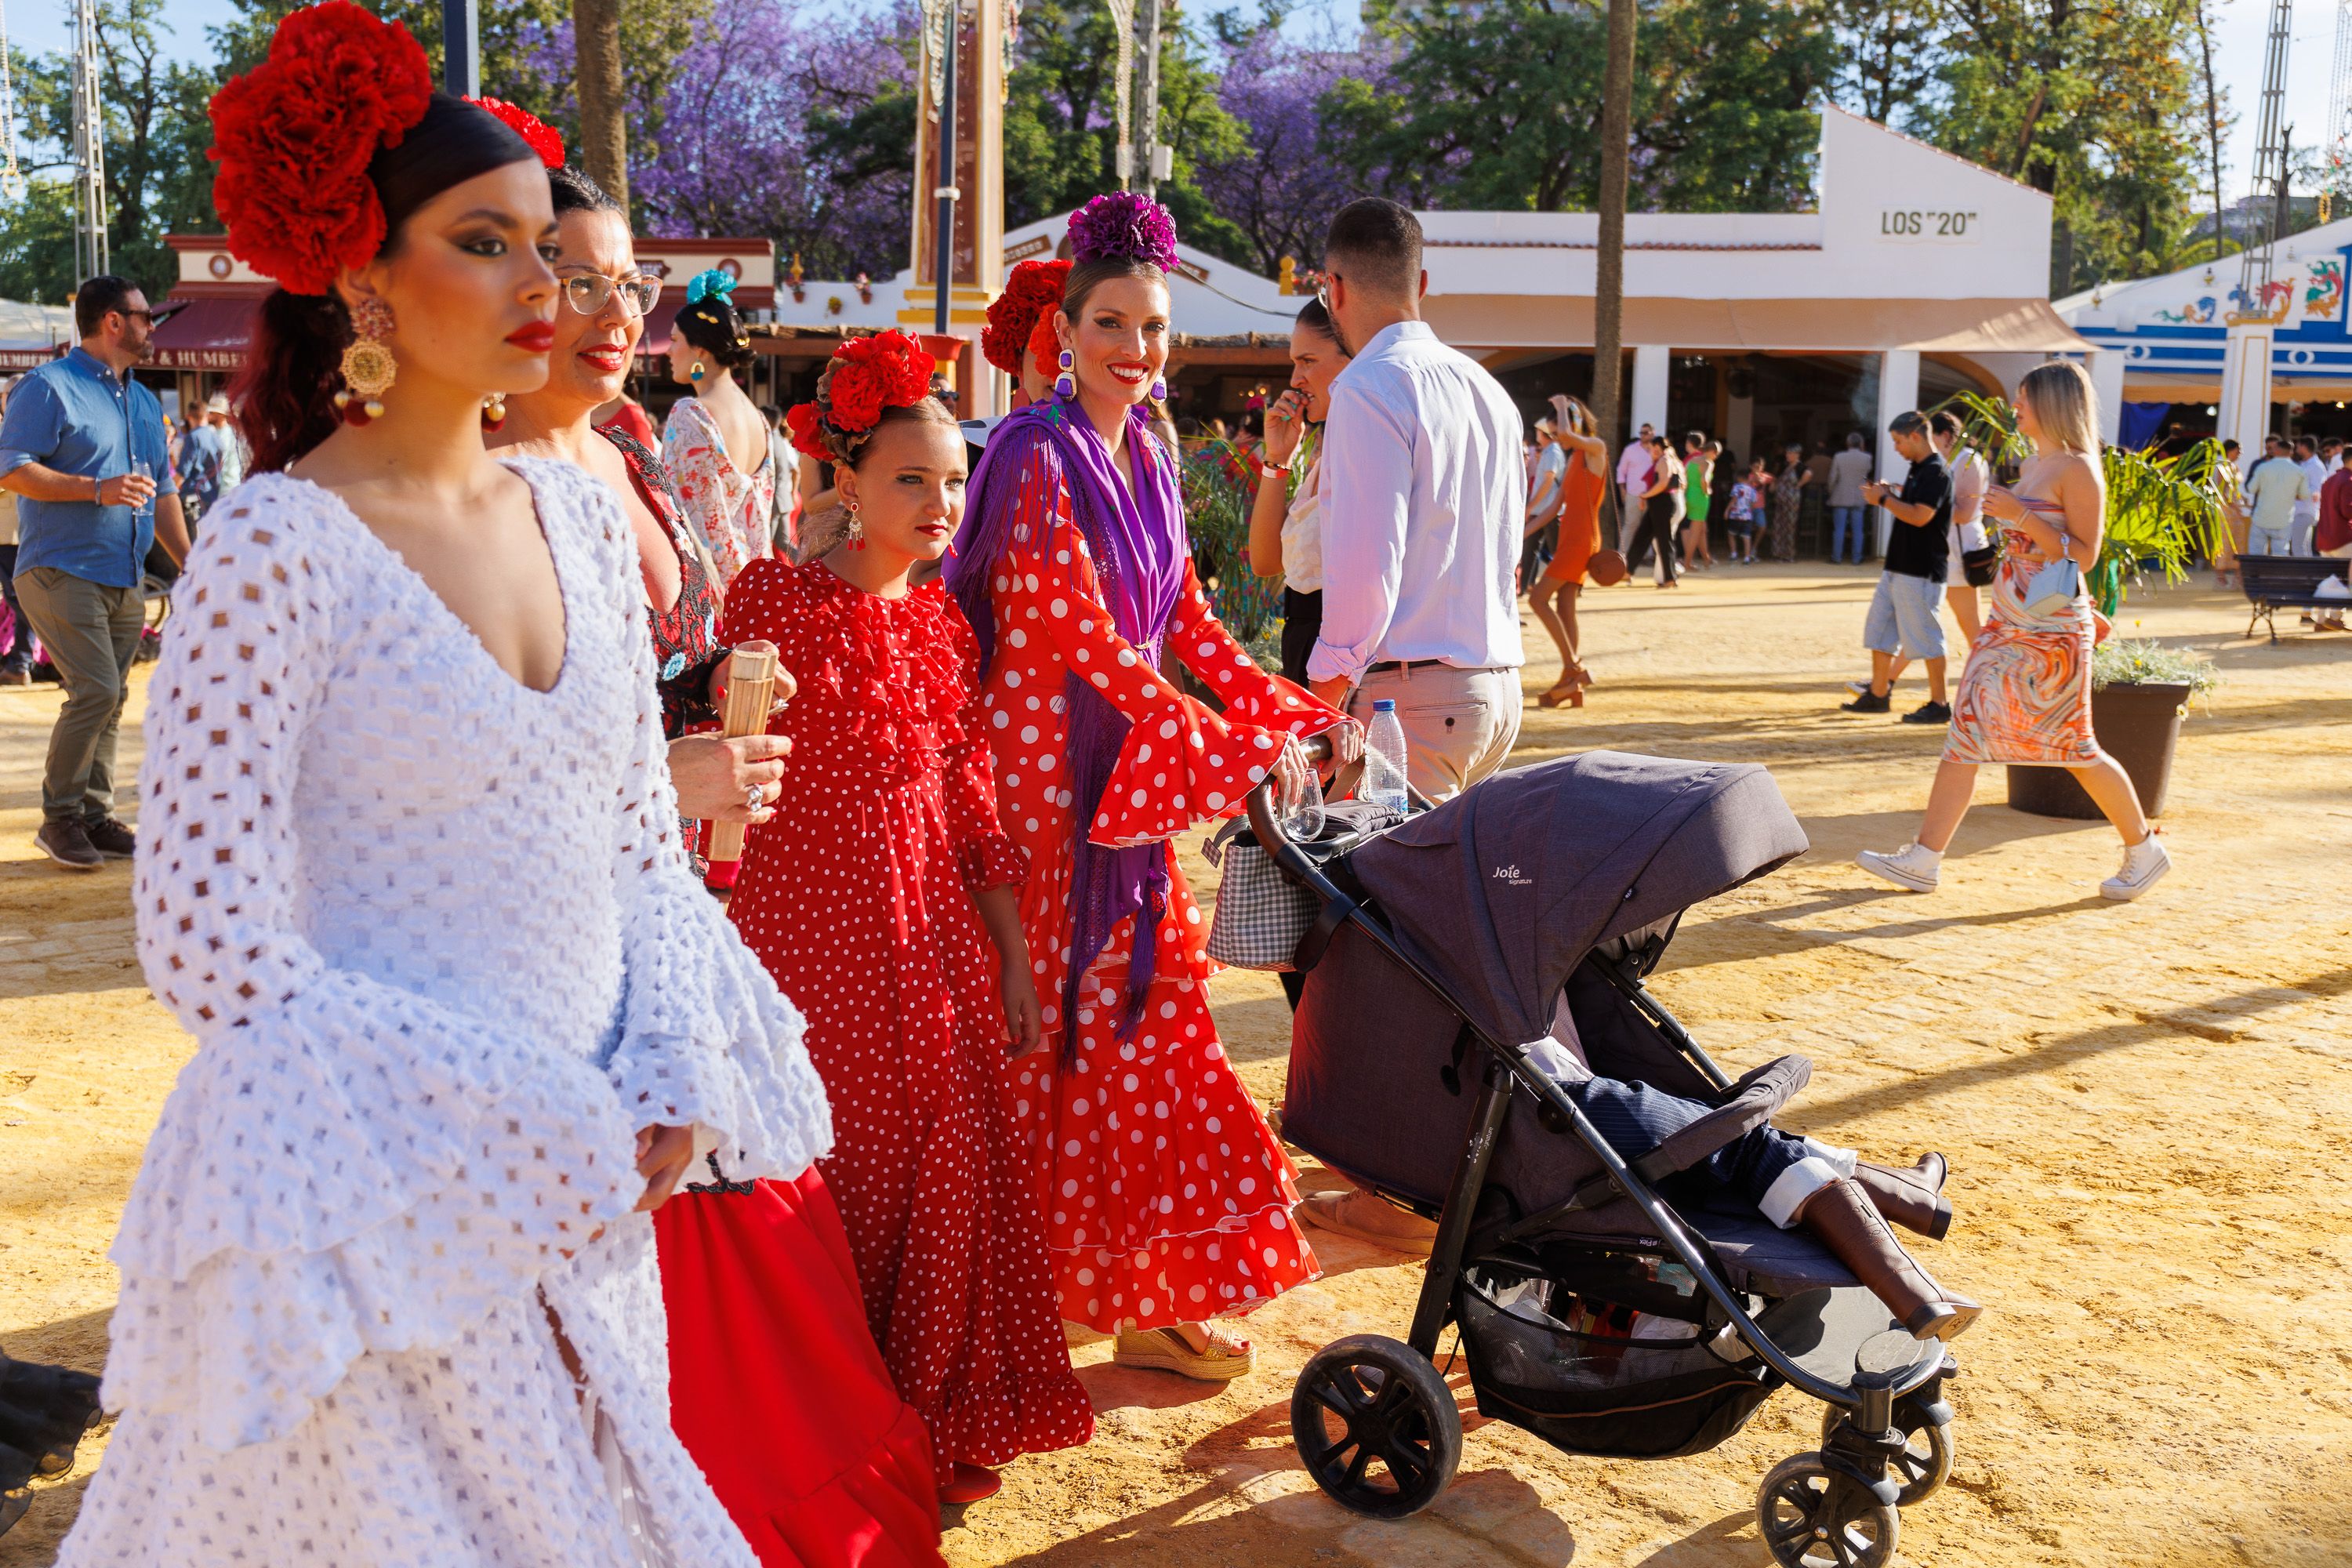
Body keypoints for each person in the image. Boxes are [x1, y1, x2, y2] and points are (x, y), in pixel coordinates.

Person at [54, 18, 837, 1566]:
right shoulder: (277, 552)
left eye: (550, 249)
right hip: (368, 1211)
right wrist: (532, 1111)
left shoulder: (583, 515)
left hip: (588, 1213)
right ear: (361, 278)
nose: (545, 292)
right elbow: (214, 941)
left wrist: (672, 1060)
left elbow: (636, 845)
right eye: (488, 247)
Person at [485, 143, 942, 1565]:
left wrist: (709, 703)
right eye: (575, 279)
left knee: (748, 1253)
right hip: (547, 950)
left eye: (630, 282)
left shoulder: (620, 449)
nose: (616, 311)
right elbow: (459, 772)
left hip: (666, 902)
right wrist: (656, 770)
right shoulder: (477, 480)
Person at [949, 191, 1354, 1380]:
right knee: (1049, 1030)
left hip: (1117, 777)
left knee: (1144, 1027)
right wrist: (1199, 724)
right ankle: (1026, 1297)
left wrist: (1278, 703)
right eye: (1112, 324)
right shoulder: (1031, 451)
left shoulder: (1156, 460)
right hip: (1042, 781)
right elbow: (1076, 629)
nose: (1136, 349)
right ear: (1064, 334)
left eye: (1155, 327)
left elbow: (1189, 617)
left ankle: (1148, 1290)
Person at [729, 335, 1095, 1506]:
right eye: (909, 479)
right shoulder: (771, 598)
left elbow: (975, 810)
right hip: (802, 944)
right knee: (835, 1176)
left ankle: (925, 1422)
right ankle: (834, 1427)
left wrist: (1012, 961)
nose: (940, 504)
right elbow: (724, 771)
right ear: (845, 483)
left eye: (952, 481)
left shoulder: (945, 628)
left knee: (939, 1170)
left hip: (929, 943)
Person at [1858, 361, 2170, 902]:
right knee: (1967, 730)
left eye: (2023, 398)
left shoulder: (2076, 468)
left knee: (2075, 746)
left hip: (2049, 631)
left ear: (2050, 403)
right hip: (2012, 622)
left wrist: (2021, 518)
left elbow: (2086, 554)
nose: (2015, 407)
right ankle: (1924, 858)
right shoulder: (2036, 464)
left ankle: (2143, 849)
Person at [1308, 197, 1526, 799]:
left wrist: (1320, 696)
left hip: (1415, 700)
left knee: (1387, 889)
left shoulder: (1367, 387)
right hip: (1495, 688)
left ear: (1334, 288)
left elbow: (1365, 568)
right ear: (1422, 283)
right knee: (1448, 887)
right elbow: (1511, 551)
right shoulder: (1487, 390)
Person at [0, 273, 190, 872]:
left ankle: (94, 814)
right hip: (58, 567)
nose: (152, 327)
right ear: (113, 321)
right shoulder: (48, 387)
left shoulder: (140, 398)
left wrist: (196, 566)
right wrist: (96, 488)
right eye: (144, 316)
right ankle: (59, 820)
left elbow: (162, 493)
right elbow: (10, 469)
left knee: (112, 698)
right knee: (97, 689)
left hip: (122, 571)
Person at [1246, 297, 1350, 688]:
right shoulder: (1325, 450)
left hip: (1338, 661)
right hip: (1306, 648)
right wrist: (1278, 460)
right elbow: (1266, 562)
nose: (1295, 379)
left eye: (1308, 361)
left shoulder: (1363, 450)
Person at [665, 267, 776, 587]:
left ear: (700, 349)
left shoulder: (692, 414)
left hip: (713, 590)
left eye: (674, 341)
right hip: (759, 586)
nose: (669, 351)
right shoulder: (759, 419)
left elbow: (687, 517)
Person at [1839, 412, 1952, 724]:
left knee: (1927, 638)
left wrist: (1884, 500)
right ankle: (1878, 694)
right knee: (1879, 631)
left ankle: (1940, 703)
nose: (1897, 448)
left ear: (1915, 436)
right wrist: (1890, 495)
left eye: (1898, 441)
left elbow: (1920, 516)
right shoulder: (1920, 469)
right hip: (1899, 566)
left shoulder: (1936, 471)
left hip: (1921, 569)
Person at [1528, 392, 1607, 706]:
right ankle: (1570, 683)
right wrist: (1522, 532)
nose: (1557, 439)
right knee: (1565, 607)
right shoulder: (1575, 458)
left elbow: (1567, 434)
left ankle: (1574, 667)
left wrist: (1563, 406)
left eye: (1557, 430)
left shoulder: (1596, 449)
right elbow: (1554, 507)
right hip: (1571, 537)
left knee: (1537, 598)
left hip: (1581, 539)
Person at [1624, 433, 1682, 589]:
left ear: (1662, 448)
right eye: (1652, 448)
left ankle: (1670, 578)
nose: (1653, 450)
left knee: (1664, 541)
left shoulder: (1664, 460)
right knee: (1642, 537)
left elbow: (1664, 483)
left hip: (1662, 504)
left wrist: (1645, 495)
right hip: (1657, 504)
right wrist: (1646, 497)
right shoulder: (1666, 460)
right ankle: (1628, 571)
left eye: (1656, 447)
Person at [1522, 414, 1568, 591]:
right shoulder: (1551, 451)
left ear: (1543, 434)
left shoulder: (1553, 452)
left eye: (1538, 432)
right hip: (1545, 509)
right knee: (1531, 549)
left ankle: (1567, 584)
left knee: (1555, 551)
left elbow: (1548, 481)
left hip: (1549, 510)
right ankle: (1525, 585)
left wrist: (1531, 506)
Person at [2242, 434, 2307, 557]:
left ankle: (2255, 576)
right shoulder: (2299, 471)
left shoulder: (2262, 468)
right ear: (2291, 452)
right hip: (2284, 520)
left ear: (2276, 451)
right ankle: (2277, 576)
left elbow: (2251, 489)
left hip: (2261, 517)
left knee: (2256, 554)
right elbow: (2304, 495)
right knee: (2281, 555)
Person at [175, 396, 227, 523]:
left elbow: (183, 471)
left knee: (194, 540)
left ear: (188, 416)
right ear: (207, 415)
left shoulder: (193, 437)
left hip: (194, 496)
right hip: (213, 493)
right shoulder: (216, 437)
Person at [1827, 430, 1872, 564]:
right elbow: (1867, 473)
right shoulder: (1867, 457)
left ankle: (1837, 557)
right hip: (1859, 495)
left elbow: (1833, 477)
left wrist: (1830, 491)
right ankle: (1857, 558)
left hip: (1841, 495)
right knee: (1858, 529)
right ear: (1861, 444)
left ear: (1848, 443)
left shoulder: (1839, 456)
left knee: (1839, 529)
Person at [1680, 430, 1715, 568]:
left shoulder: (1690, 460)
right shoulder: (1707, 461)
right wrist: (1708, 490)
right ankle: (1688, 561)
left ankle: (1706, 558)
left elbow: (1684, 477)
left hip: (1688, 495)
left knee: (1699, 530)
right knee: (1696, 530)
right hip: (1700, 497)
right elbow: (1704, 480)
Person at [1616, 419, 1657, 532]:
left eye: (1646, 433)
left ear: (1653, 433)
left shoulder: (1657, 451)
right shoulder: (1630, 450)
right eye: (1641, 433)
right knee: (1630, 526)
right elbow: (1621, 471)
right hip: (1633, 494)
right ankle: (1623, 550)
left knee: (1649, 528)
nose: (1643, 435)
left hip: (1652, 494)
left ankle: (1647, 550)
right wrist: (1622, 490)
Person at [1724, 454, 1765, 564]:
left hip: (1735, 515)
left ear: (1739, 478)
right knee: (1746, 537)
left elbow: (1734, 500)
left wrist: (1727, 510)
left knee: (1731, 534)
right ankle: (1747, 557)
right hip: (1747, 516)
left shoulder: (1736, 487)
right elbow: (1753, 502)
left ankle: (1734, 553)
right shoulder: (1752, 490)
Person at [1769, 441, 1806, 561]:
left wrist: (1799, 485)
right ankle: (1778, 553)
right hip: (1780, 501)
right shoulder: (1784, 465)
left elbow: (1809, 473)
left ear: (1797, 454)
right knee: (1779, 526)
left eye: (1790, 453)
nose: (1787, 455)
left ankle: (1789, 554)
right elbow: (1776, 477)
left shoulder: (1801, 467)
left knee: (1790, 527)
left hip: (1792, 502)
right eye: (1787, 453)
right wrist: (1774, 485)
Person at [2294, 434, 2328, 555]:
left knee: (2298, 547)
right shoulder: (2305, 464)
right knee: (2303, 547)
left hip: (2306, 510)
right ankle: (2307, 574)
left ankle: (2300, 574)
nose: (2296, 449)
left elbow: (2317, 490)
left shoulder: (2316, 466)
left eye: (2298, 446)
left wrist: (2297, 494)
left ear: (2304, 447)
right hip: (2302, 510)